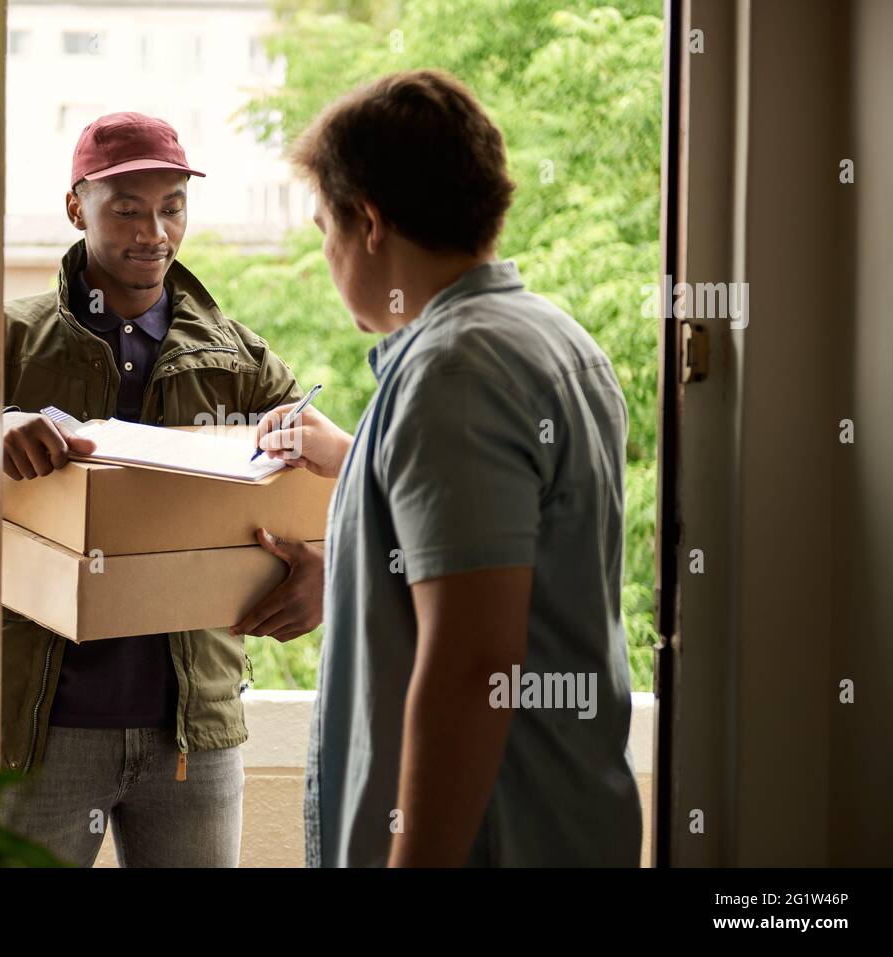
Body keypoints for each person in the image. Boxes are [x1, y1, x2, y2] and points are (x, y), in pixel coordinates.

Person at [254, 70, 642, 866]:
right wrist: (357, 454)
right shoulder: (551, 338)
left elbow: (472, 666)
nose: (326, 254)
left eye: (325, 225)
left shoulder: (454, 374)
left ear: (368, 222)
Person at [0, 112, 321, 867]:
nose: (155, 232)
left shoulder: (240, 356)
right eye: (128, 209)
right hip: (40, 727)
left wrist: (323, 573)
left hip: (192, 731)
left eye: (172, 206)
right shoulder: (5, 340)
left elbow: (320, 479)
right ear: (77, 208)